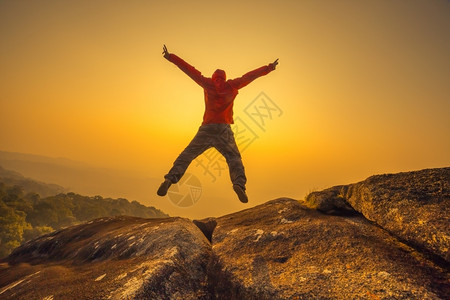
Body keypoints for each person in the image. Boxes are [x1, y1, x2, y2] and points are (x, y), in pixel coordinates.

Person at [157, 45, 278, 203]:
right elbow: (250, 76)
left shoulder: (207, 83)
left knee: (187, 155)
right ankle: (239, 184)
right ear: (225, 77)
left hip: (206, 128)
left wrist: (170, 56)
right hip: (223, 130)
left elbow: (189, 70)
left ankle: (170, 179)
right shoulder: (232, 85)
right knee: (234, 158)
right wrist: (269, 68)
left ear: (214, 77)